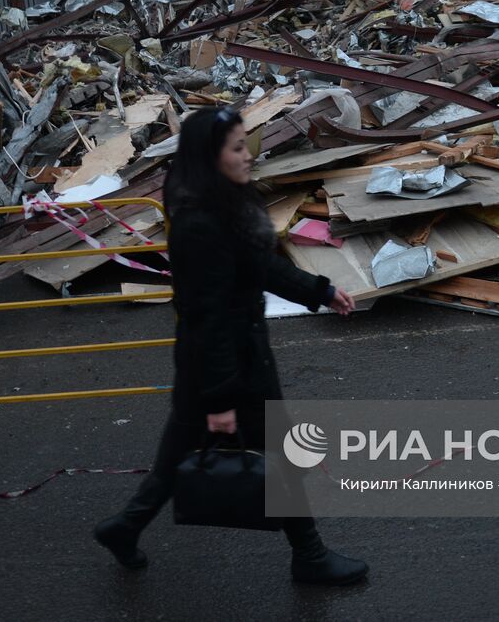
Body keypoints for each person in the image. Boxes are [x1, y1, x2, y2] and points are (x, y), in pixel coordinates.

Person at [93, 106, 368, 585]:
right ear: (210, 155)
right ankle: (310, 556)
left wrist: (319, 291)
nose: (247, 157)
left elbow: (261, 267)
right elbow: (208, 317)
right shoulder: (201, 223)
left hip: (215, 369)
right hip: (230, 372)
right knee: (286, 457)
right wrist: (221, 400)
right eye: (237, 148)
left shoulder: (225, 204)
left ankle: (124, 526)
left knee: (175, 459)